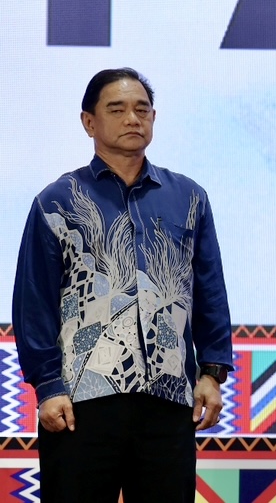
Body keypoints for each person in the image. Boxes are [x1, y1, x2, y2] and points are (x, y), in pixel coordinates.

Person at [11, 68, 233, 503]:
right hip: (81, 400)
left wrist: (211, 372)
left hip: (169, 398)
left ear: (153, 118)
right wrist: (47, 385)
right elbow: (33, 301)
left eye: (142, 110)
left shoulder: (189, 197)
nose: (133, 118)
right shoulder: (56, 201)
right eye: (117, 109)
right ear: (89, 122)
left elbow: (209, 289)